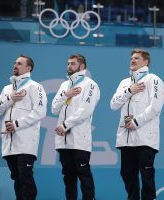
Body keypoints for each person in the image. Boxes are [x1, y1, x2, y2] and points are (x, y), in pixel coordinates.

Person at [110, 49, 164, 200]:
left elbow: (155, 107)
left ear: (146, 62)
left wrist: (136, 121)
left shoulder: (153, 79)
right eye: (132, 58)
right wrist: (129, 91)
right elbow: (113, 104)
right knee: (127, 173)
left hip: (145, 137)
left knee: (146, 174)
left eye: (137, 58)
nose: (132, 60)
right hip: (125, 138)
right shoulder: (124, 83)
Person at [0, 54, 47, 200]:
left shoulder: (35, 87)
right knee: (17, 179)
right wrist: (10, 99)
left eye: (19, 63)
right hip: (8, 144)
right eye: (15, 63)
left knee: (25, 178)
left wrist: (17, 124)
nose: (15, 65)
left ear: (28, 68)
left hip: (26, 142)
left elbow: (40, 112)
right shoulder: (7, 89)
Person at [51, 54, 100, 200]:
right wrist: (65, 95)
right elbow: (54, 109)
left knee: (83, 174)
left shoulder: (90, 84)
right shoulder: (64, 85)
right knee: (68, 177)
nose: (69, 67)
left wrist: (65, 125)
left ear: (82, 67)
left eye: (73, 64)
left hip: (79, 140)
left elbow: (85, 110)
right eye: (68, 64)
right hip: (63, 140)